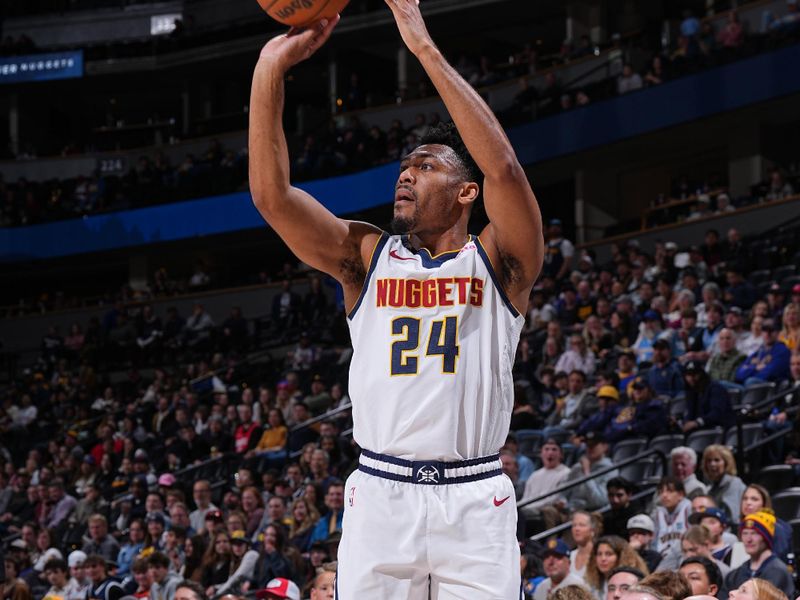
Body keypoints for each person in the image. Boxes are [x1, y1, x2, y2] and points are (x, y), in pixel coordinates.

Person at [249, 2, 543, 596]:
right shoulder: (365, 256)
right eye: (404, 167)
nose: (405, 175)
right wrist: (268, 70)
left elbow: (505, 169)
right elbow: (272, 198)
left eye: (425, 166)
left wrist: (423, 48)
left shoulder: (499, 261)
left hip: (474, 496)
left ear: (466, 191)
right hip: (382, 492)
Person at [724, 511, 795, 597]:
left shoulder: (777, 571)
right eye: (745, 533)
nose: (748, 539)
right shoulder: (737, 573)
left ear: (766, 537)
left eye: (754, 533)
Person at [585, 535, 649, 600]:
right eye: (599, 554)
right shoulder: (593, 583)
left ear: (621, 557)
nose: (603, 558)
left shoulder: (633, 580)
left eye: (609, 554)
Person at [680, 361, 735, 433]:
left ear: (701, 374)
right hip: (699, 431)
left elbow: (717, 413)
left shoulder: (715, 388)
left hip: (718, 430)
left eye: (694, 374)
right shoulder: (691, 392)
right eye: (688, 375)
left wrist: (697, 422)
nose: (691, 378)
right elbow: (689, 414)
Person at [701, 445, 746, 522]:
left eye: (717, 460)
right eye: (709, 461)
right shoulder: (709, 489)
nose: (712, 464)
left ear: (726, 463)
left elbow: (732, 518)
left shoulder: (734, 483)